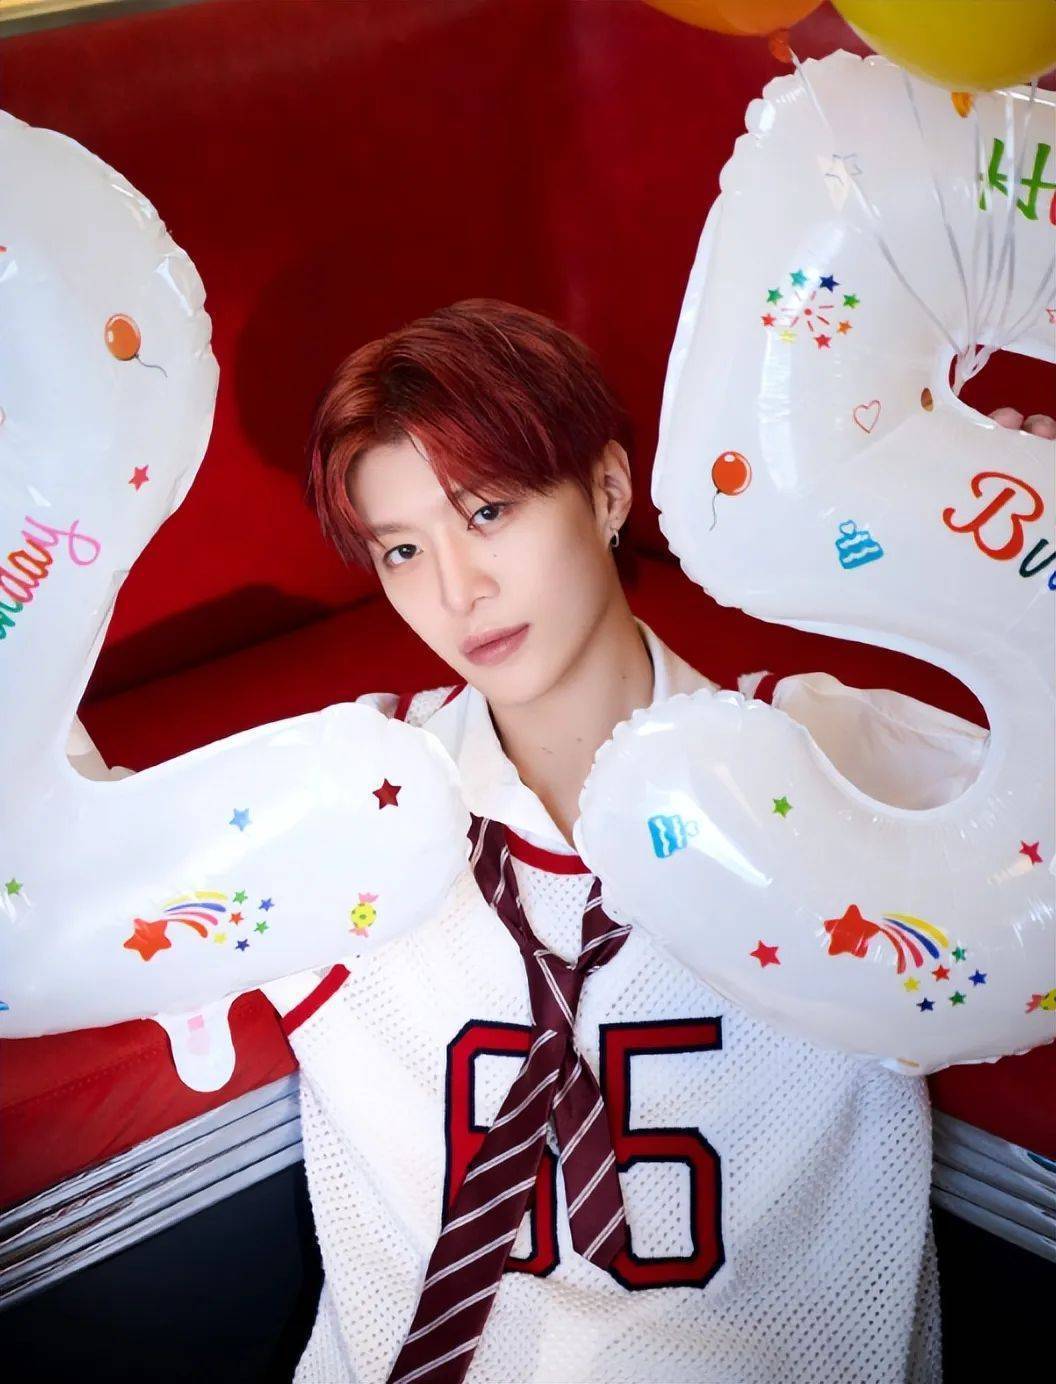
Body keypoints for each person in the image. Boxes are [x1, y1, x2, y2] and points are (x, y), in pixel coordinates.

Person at [256, 298, 1056, 1384]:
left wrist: (1025, 598)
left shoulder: (830, 755)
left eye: (488, 512)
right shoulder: (348, 798)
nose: (457, 590)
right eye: (402, 549)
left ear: (606, 489)